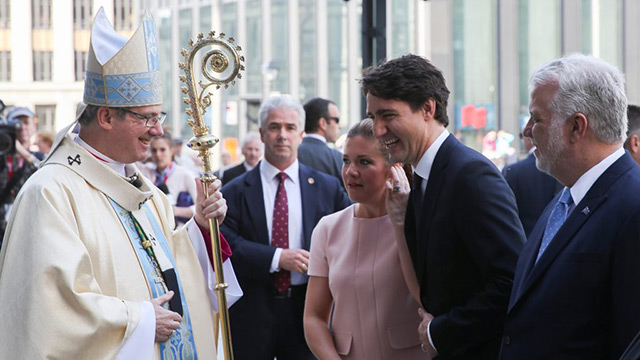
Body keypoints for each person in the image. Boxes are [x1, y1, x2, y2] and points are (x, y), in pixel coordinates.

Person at [0, 8, 241, 359]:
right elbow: (47, 310)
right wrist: (140, 321)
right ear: (106, 116)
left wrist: (201, 227)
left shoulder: (146, 193)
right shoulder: (50, 193)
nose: (159, 130)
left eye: (160, 116)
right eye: (147, 118)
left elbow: (165, 268)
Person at [362, 54, 525, 359]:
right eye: (373, 117)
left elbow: (511, 282)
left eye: (388, 115)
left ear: (427, 108)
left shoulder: (470, 175)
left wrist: (442, 331)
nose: (378, 129)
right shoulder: (425, 175)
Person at [499, 54, 640, 359]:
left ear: (577, 127)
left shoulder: (632, 206)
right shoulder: (566, 197)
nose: (527, 131)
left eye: (537, 119)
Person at [220, 95, 350, 359]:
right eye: (274, 127)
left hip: (309, 311)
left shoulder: (327, 188)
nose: (282, 135)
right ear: (261, 133)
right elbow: (227, 244)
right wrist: (279, 257)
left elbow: (349, 235)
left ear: (301, 134)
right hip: (252, 312)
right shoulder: (234, 191)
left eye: (290, 128)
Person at [303, 118, 423, 359]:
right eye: (346, 161)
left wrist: (401, 221)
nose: (351, 172)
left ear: (394, 168)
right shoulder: (328, 228)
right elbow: (314, 317)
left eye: (364, 162)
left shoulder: (418, 223)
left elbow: (428, 299)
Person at [0, 107, 45, 244]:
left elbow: (44, 172)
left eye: (26, 122)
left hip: (29, 227)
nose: (22, 127)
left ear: (34, 126)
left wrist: (24, 154)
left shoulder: (40, 157)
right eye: (17, 123)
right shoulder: (2, 158)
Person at [503, 134, 561, 236]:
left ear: (528, 139)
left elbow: (506, 214)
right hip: (557, 238)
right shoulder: (563, 167)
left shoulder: (514, 171)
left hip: (524, 241)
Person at [148, 132, 198, 226]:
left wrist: (175, 211)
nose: (158, 154)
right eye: (154, 150)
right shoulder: (147, 174)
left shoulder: (185, 174)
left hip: (179, 232)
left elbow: (200, 208)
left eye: (162, 150)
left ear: (172, 151)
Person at [298, 97, 344, 187]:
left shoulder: (291, 155)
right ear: (323, 123)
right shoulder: (337, 158)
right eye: (336, 120)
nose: (340, 126)